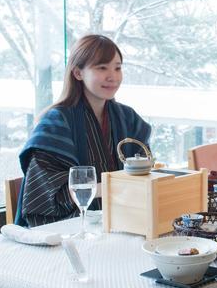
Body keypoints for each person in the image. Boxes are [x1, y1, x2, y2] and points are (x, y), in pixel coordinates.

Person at [16, 34, 151, 227]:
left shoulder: (128, 118)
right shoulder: (56, 122)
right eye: (102, 67)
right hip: (69, 229)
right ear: (78, 73)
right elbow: (44, 196)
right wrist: (108, 188)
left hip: (123, 223)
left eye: (118, 67)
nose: (112, 76)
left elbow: (144, 173)